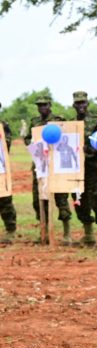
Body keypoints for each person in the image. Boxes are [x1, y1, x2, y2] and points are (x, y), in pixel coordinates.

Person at [24, 95, 73, 245]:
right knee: (39, 200)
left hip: (57, 167)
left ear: (50, 105)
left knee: (61, 200)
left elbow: (69, 137)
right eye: (39, 105)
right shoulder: (35, 122)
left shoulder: (59, 121)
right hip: (40, 167)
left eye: (44, 105)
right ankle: (43, 232)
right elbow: (28, 140)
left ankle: (67, 234)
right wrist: (34, 148)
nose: (42, 108)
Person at [72, 91, 97, 246]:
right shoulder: (70, 125)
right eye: (78, 103)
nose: (81, 106)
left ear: (87, 103)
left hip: (93, 168)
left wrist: (90, 150)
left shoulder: (96, 121)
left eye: (83, 102)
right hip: (76, 169)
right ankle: (89, 234)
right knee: (79, 200)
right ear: (74, 105)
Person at [0, 103, 17, 244]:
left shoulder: (3, 126)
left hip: (1, 169)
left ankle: (10, 230)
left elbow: (6, 146)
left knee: (5, 201)